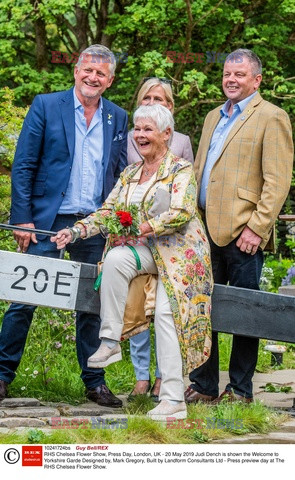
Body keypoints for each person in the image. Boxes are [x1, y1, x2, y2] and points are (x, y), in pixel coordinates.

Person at [52, 104, 213, 420]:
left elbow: (182, 212)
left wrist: (141, 227)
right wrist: (75, 231)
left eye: (148, 129)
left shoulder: (179, 169)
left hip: (180, 256)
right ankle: (110, 340)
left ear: (166, 134)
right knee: (114, 258)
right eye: (137, 129)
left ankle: (172, 401)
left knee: (167, 315)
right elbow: (109, 212)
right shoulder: (129, 174)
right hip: (145, 252)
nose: (140, 135)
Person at [0, 44, 128, 407]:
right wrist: (21, 219)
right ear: (76, 70)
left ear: (110, 80)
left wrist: (116, 222)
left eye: (101, 73)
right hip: (45, 222)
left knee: (91, 306)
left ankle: (94, 382)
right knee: (23, 300)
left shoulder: (116, 117)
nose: (92, 77)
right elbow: (24, 165)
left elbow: (118, 173)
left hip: (92, 226)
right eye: (87, 70)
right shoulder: (46, 105)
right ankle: (1, 375)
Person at [185, 48, 294, 405]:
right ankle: (203, 385)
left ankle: (240, 390)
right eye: (227, 74)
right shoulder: (212, 116)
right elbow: (201, 171)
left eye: (240, 75)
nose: (231, 80)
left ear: (256, 80)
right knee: (202, 310)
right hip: (203, 231)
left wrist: (257, 227)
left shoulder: (272, 116)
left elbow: (277, 182)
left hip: (243, 233)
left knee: (247, 316)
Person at [128, 77, 194, 401]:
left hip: (166, 238)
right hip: (131, 235)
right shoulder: (131, 136)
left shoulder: (180, 141)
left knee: (165, 308)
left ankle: (163, 377)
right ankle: (140, 375)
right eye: (148, 97)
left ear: (170, 104)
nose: (154, 102)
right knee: (137, 303)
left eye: (161, 98)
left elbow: (187, 194)